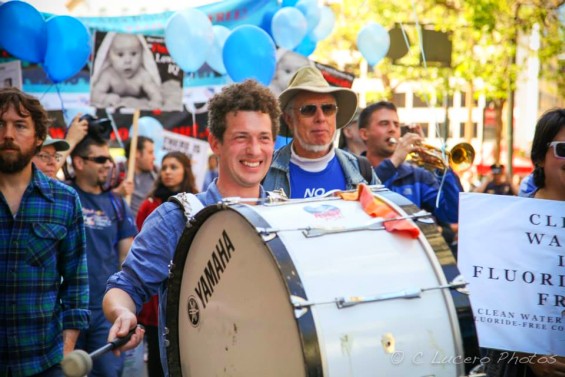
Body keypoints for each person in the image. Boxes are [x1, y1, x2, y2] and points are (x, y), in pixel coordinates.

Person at [102, 79, 281, 376]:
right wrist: (123, 313)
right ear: (215, 143)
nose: (254, 149)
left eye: (264, 138)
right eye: (241, 137)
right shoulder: (175, 219)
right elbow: (124, 287)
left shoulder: (284, 214)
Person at [0, 87, 90, 376]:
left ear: (38, 138)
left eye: (20, 125)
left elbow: (76, 283)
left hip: (43, 364)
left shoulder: (64, 201)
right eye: (0, 124)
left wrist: (66, 352)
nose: (8, 134)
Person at [484, 108, 565, 376]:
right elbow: (492, 299)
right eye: (562, 149)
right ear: (539, 157)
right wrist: (528, 354)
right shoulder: (508, 221)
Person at [70, 133, 137, 377]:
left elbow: (127, 260)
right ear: (78, 162)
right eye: (100, 159)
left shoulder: (118, 204)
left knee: (108, 373)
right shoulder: (62, 197)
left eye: (109, 159)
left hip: (104, 310)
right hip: (65, 310)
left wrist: (125, 304)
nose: (109, 164)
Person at [262, 66, 378, 198]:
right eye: (308, 109)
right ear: (289, 119)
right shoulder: (264, 170)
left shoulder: (362, 171)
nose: (321, 118)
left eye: (328, 108)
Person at [135, 151, 198, 377]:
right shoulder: (149, 206)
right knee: (156, 359)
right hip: (154, 299)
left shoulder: (197, 205)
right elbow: (140, 251)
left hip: (188, 293)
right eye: (164, 167)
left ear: (185, 171)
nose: (168, 172)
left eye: (174, 167)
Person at [358, 101, 461, 225]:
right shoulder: (352, 169)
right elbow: (361, 194)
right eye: (384, 124)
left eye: (396, 125)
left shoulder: (418, 175)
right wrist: (394, 162)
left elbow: (452, 215)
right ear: (364, 134)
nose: (392, 129)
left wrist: (443, 170)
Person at [91, 32, 162, 109]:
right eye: (120, 54)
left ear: (142, 55)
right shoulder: (108, 74)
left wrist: (156, 101)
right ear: (108, 57)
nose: (128, 60)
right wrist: (105, 98)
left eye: (133, 53)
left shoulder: (142, 75)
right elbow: (95, 94)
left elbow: (155, 93)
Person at [124, 135, 157, 217]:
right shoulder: (116, 172)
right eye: (150, 152)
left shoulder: (156, 174)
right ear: (137, 153)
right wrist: (118, 192)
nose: (154, 157)